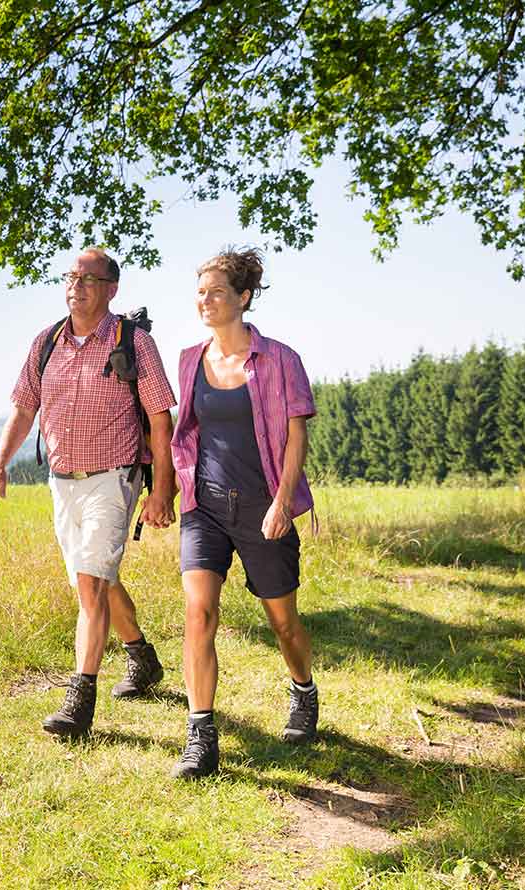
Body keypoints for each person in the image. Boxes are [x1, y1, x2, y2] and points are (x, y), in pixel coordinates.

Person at [0, 247, 178, 737]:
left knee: (90, 584)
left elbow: (160, 418)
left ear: (111, 289)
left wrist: (163, 493)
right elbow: (24, 407)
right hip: (61, 481)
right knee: (98, 581)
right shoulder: (46, 342)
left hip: (114, 477)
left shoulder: (133, 343)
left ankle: (79, 701)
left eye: (88, 279)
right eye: (71, 277)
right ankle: (143, 659)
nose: (76, 286)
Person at [168, 247, 319, 778]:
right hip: (205, 505)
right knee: (199, 613)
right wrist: (172, 488)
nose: (204, 301)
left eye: (216, 292)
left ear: (243, 298)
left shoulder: (280, 359)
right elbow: (182, 430)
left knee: (284, 623)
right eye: (200, 292)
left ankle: (303, 690)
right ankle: (200, 734)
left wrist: (282, 501)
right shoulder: (190, 359)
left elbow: (295, 435)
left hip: (263, 508)